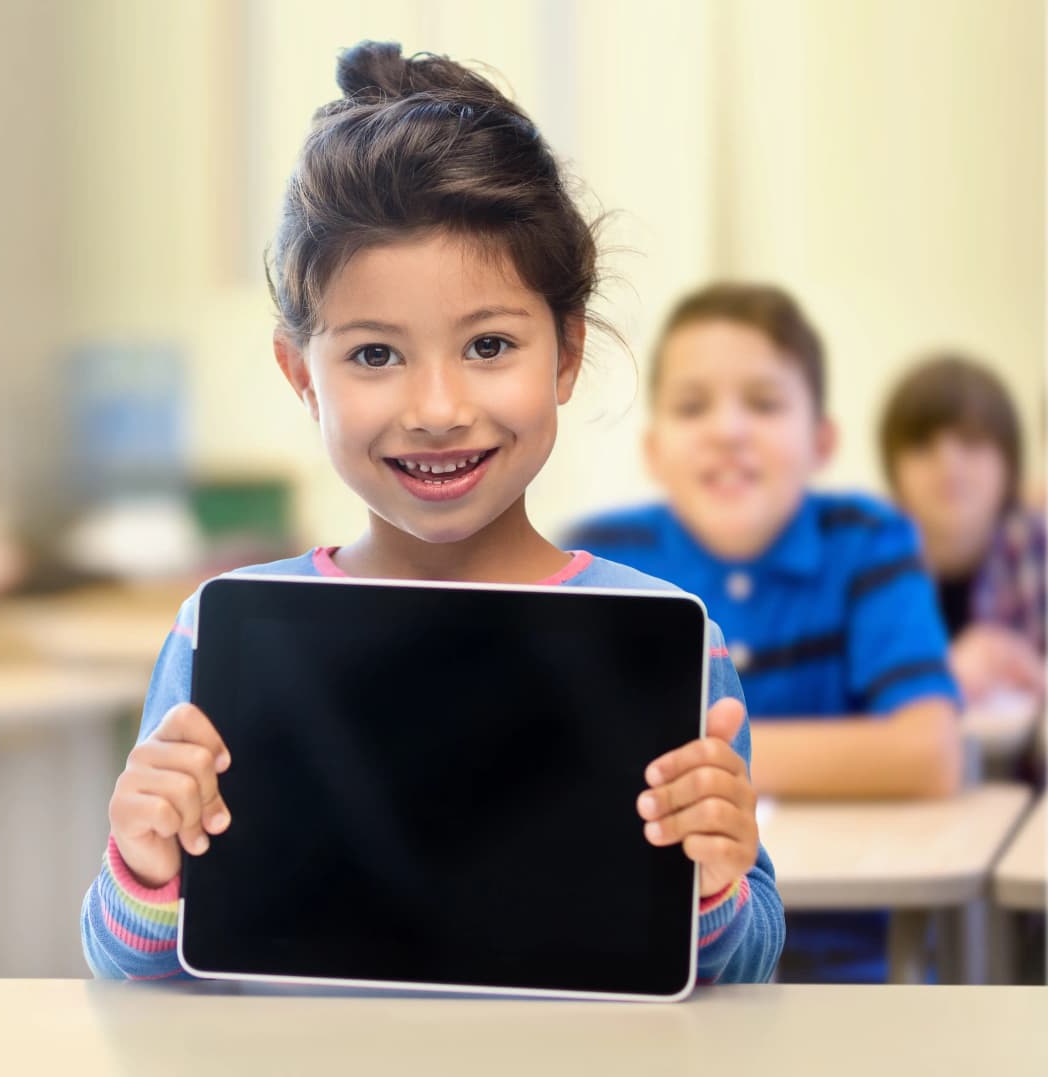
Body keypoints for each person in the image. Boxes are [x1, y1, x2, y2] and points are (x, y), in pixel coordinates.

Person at [80, 43, 784, 986]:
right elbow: (129, 968)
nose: (439, 407)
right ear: (302, 375)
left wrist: (715, 887)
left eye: (489, 343)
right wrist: (144, 868)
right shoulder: (223, 634)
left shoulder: (672, 645)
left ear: (567, 354)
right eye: (375, 355)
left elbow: (748, 964)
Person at [565, 282, 962, 982]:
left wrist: (708, 774)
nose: (728, 429)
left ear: (822, 441)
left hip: (859, 967)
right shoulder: (606, 557)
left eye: (765, 402)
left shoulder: (868, 541)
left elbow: (929, 751)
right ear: (654, 450)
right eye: (693, 406)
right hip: (654, 968)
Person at [879, 355, 1045, 707]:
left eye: (971, 442)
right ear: (893, 468)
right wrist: (945, 673)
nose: (948, 463)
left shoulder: (1036, 545)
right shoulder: (871, 558)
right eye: (923, 445)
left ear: (1009, 461)